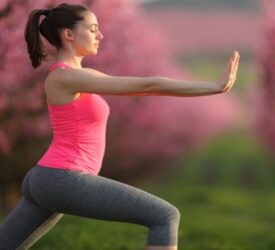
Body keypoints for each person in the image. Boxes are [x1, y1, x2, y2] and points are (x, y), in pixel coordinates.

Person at [0, 3, 239, 250]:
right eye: (92, 29)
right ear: (68, 34)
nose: (100, 36)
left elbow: (147, 91)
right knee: (164, 216)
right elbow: (147, 86)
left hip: (50, 177)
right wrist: (212, 87)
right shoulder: (65, 77)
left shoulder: (80, 76)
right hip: (62, 177)